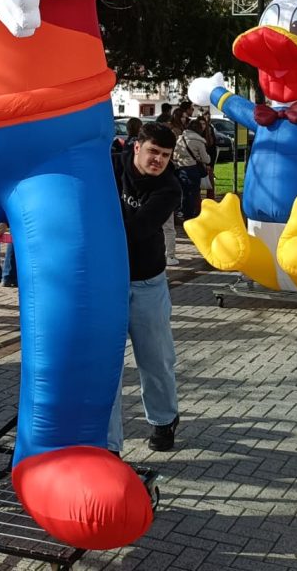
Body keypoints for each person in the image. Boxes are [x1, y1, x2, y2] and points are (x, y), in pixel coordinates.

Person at [108, 122, 182, 454]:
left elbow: (136, 231)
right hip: (107, 282)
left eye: (165, 155)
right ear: (136, 146)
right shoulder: (110, 165)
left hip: (147, 281)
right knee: (106, 366)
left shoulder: (169, 188)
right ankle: (108, 443)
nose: (158, 160)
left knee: (156, 359)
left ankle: (164, 420)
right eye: (153, 151)